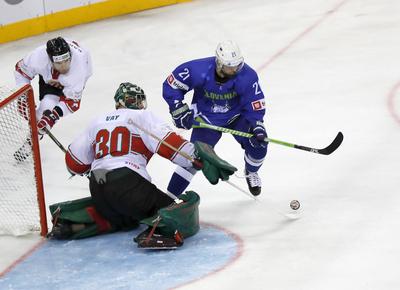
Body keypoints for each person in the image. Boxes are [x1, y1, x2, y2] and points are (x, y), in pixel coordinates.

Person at [50, 82, 236, 248]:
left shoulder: (96, 122)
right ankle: (156, 232)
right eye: (135, 100)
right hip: (127, 182)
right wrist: (197, 157)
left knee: (125, 219)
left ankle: (71, 225)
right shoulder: (141, 116)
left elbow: (74, 164)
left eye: (140, 101)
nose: (139, 104)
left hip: (98, 188)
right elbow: (170, 146)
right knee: (173, 211)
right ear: (126, 101)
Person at [163, 40, 267, 196]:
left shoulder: (247, 76)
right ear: (219, 63)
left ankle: (251, 172)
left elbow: (254, 102)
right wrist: (178, 108)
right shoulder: (198, 69)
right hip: (206, 120)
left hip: (237, 117)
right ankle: (168, 198)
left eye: (237, 65)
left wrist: (257, 124)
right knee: (193, 159)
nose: (234, 69)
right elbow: (172, 85)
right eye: (229, 66)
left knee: (259, 145)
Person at [13, 36, 92, 160]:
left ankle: (31, 142)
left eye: (67, 60)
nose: (64, 66)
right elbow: (20, 72)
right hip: (49, 76)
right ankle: (33, 138)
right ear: (50, 59)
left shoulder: (79, 69)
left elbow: (72, 103)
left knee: (47, 114)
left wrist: (52, 117)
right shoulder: (38, 57)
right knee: (41, 114)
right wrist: (23, 96)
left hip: (72, 81)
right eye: (59, 63)